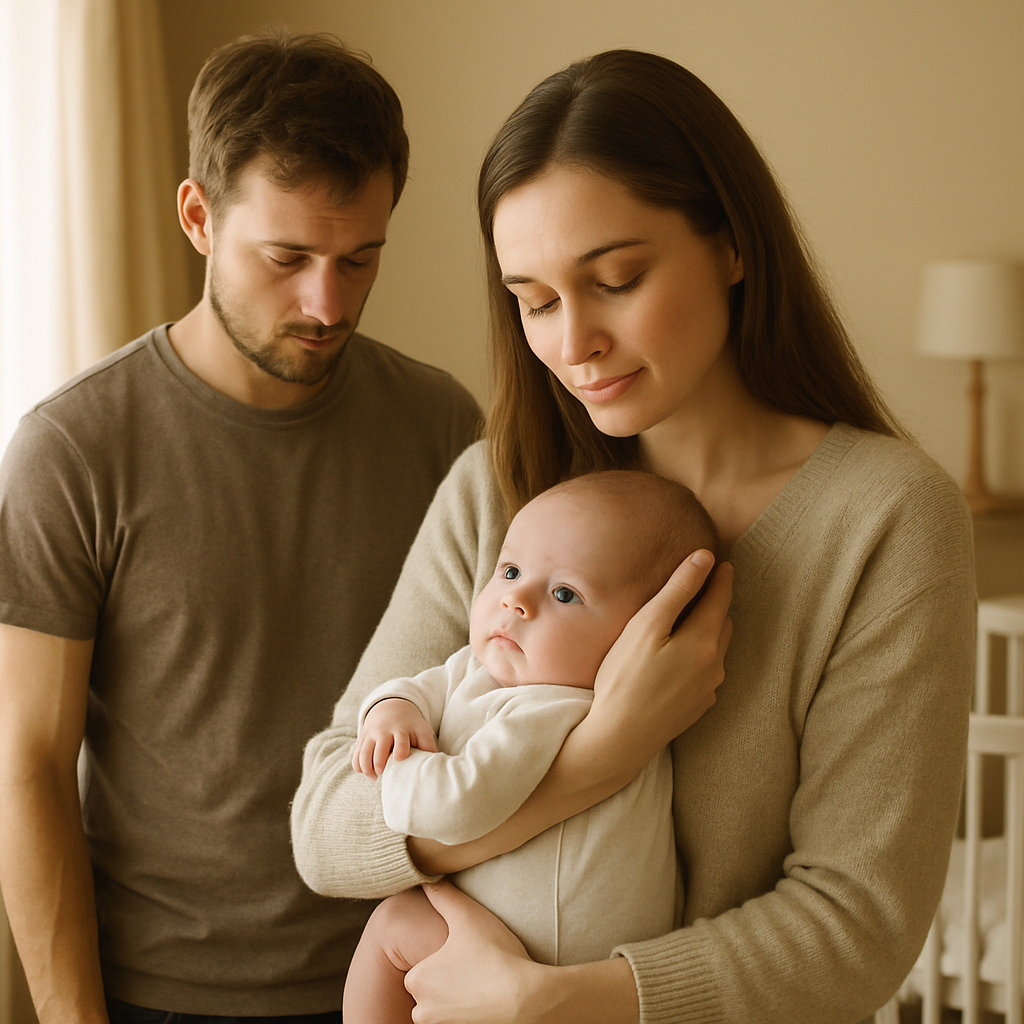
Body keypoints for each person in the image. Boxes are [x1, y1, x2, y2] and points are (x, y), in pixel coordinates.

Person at [291, 49, 976, 1024]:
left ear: (731, 244)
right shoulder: (497, 489)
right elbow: (326, 825)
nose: (573, 343)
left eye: (616, 279)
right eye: (535, 302)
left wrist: (559, 1002)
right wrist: (601, 758)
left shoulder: (884, 520)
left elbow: (856, 923)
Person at [0, 31, 480, 1024]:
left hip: (404, 978)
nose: (326, 302)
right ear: (198, 217)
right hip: (164, 994)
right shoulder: (73, 449)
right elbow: (29, 769)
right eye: (286, 258)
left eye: (359, 259)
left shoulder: (443, 428)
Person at [343, 470, 718, 1022]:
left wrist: (399, 763)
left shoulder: (556, 709)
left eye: (565, 593)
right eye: (511, 571)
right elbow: (419, 687)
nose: (515, 599)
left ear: (641, 636)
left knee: (395, 924)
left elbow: (451, 807)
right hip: (508, 940)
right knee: (398, 923)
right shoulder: (481, 670)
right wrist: (391, 710)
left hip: (550, 962)